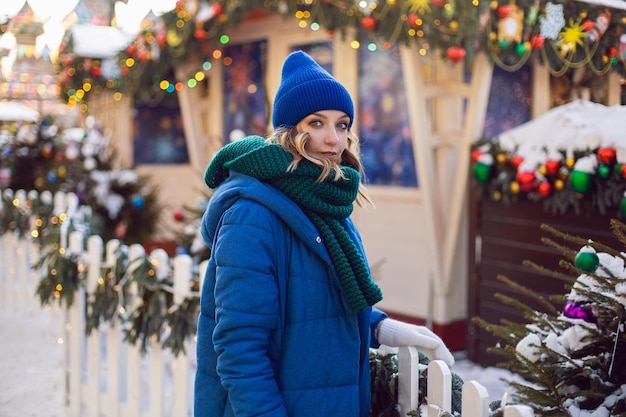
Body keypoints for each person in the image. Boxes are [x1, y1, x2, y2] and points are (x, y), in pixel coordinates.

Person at [194, 50, 454, 417]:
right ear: (290, 131)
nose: (333, 139)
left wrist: (380, 328)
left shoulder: (326, 203)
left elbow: (314, 305)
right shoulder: (251, 215)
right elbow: (239, 350)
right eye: (316, 123)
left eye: (342, 124)